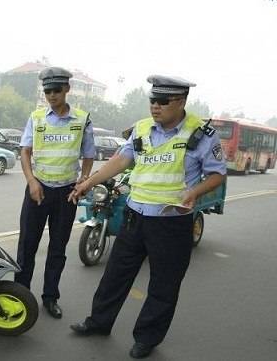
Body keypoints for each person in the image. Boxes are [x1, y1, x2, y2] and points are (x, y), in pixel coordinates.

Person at [68, 75, 227, 359]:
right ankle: (99, 322)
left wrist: (195, 192)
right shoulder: (141, 128)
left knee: (164, 284)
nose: (156, 106)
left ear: (181, 102)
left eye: (163, 101)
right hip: (135, 215)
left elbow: (217, 174)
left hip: (171, 221)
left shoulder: (200, 134)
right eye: (153, 100)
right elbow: (120, 161)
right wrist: (87, 183)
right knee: (115, 275)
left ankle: (147, 337)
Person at [15, 66, 95, 319]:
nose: (51, 95)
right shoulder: (36, 118)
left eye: (56, 90)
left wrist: (83, 180)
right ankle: (20, 295)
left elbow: (89, 154)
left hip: (66, 194)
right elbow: (25, 151)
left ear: (67, 89)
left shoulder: (82, 120)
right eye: (47, 90)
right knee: (27, 246)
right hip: (38, 189)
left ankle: (50, 297)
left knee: (58, 249)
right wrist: (31, 181)